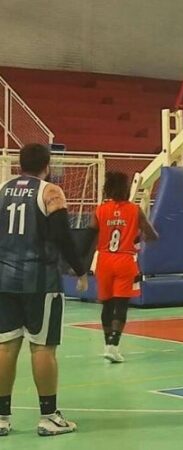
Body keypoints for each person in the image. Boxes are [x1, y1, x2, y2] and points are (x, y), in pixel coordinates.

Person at [0, 143, 89, 437]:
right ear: (46, 165)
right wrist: (80, 269)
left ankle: (1, 418)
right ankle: (49, 416)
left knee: (5, 346)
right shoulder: (50, 191)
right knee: (42, 347)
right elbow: (62, 236)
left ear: (18, 165)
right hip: (39, 281)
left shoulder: (2, 190)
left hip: (3, 280)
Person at [87, 172, 158, 363]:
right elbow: (152, 235)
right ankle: (114, 345)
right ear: (126, 189)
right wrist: (136, 237)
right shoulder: (135, 210)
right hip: (125, 261)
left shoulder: (100, 209)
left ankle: (106, 345)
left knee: (107, 304)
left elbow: (91, 235)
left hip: (104, 260)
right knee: (121, 305)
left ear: (108, 188)